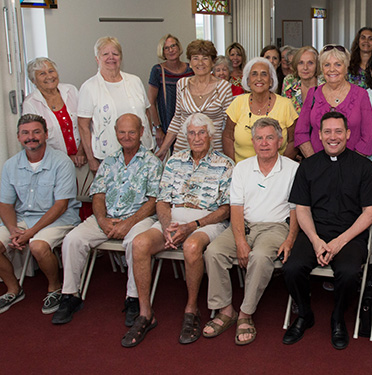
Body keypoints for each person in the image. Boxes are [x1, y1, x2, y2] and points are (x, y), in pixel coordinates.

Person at [121, 113, 233, 348]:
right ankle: (145, 313)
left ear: (210, 135)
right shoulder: (174, 161)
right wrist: (166, 227)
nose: (197, 137)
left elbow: (225, 210)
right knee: (139, 243)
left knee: (192, 247)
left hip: (207, 222)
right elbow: (162, 201)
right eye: (191, 133)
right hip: (172, 220)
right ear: (186, 137)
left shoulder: (225, 164)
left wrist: (192, 226)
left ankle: (191, 309)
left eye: (202, 132)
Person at [282, 111, 372, 350]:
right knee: (291, 267)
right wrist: (316, 240)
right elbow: (302, 209)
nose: (333, 137)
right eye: (327, 132)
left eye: (338, 131)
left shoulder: (364, 166)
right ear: (319, 134)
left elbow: (370, 212)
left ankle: (338, 318)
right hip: (314, 231)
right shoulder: (308, 166)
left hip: (350, 235)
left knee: (348, 272)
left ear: (348, 134)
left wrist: (339, 242)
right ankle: (305, 314)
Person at [53, 114, 163, 325]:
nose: (126, 136)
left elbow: (153, 201)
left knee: (135, 243)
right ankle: (70, 296)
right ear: (115, 133)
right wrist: (101, 220)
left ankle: (133, 299)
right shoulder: (109, 161)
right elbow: (99, 195)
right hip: (107, 217)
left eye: (132, 132)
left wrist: (128, 222)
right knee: (73, 239)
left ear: (141, 132)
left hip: (139, 218)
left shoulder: (152, 162)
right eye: (122, 132)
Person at [203, 117, 299, 345]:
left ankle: (246, 313)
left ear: (280, 141)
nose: (264, 143)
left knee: (260, 256)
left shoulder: (294, 169)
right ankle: (226, 310)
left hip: (276, 227)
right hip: (244, 225)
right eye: (259, 138)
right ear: (253, 142)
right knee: (213, 251)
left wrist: (291, 239)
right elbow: (235, 207)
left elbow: (298, 210)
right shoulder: (242, 168)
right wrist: (239, 241)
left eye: (269, 138)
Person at [0, 114, 80, 315]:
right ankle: (13, 289)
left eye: (36, 132)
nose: (31, 137)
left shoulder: (61, 162)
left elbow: (61, 206)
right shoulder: (10, 165)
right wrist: (13, 229)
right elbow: (6, 204)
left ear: (45, 134)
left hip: (59, 219)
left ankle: (54, 288)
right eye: (25, 133)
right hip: (23, 219)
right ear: (18, 137)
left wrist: (30, 233)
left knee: (38, 245)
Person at [78, 36, 155, 173]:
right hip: (108, 157)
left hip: (142, 152)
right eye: (105, 54)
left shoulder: (135, 81)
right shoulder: (89, 87)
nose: (111, 58)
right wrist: (91, 159)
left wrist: (150, 142)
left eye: (115, 54)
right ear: (97, 59)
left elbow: (146, 113)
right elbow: (83, 126)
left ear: (121, 57)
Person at [294, 45, 372, 158]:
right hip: (317, 166)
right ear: (322, 68)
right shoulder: (312, 93)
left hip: (352, 166)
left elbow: (369, 136)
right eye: (327, 64)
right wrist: (314, 162)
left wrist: (352, 165)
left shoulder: (361, 94)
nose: (332, 69)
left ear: (346, 67)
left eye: (338, 64)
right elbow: (300, 133)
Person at [155, 40, 234, 158]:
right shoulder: (182, 84)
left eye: (205, 58)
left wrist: (230, 159)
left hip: (213, 154)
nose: (200, 63)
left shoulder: (223, 87)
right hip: (183, 151)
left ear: (213, 62)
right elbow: (177, 119)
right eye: (195, 58)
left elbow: (228, 127)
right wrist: (163, 150)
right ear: (190, 63)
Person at [224, 56, 299, 163]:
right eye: (254, 74)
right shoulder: (238, 102)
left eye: (264, 74)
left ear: (271, 80)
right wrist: (233, 167)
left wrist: (282, 166)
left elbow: (293, 141)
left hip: (276, 169)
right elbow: (227, 136)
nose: (259, 78)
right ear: (248, 80)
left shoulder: (285, 105)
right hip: (241, 171)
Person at [22, 57, 85, 166]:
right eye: (42, 74)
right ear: (33, 80)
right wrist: (65, 159)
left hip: (83, 159)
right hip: (53, 164)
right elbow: (34, 138)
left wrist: (82, 151)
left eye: (51, 71)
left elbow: (86, 124)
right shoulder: (30, 103)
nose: (49, 76)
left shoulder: (71, 91)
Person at [148, 34, 193, 146]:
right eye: (166, 48)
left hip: (189, 124)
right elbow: (151, 102)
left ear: (179, 47)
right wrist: (158, 128)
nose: (171, 50)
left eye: (173, 46)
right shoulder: (158, 70)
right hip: (167, 127)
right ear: (162, 52)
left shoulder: (191, 69)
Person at [282, 46, 321, 114]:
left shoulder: (325, 86)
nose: (305, 67)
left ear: (317, 65)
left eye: (310, 63)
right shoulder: (289, 86)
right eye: (301, 63)